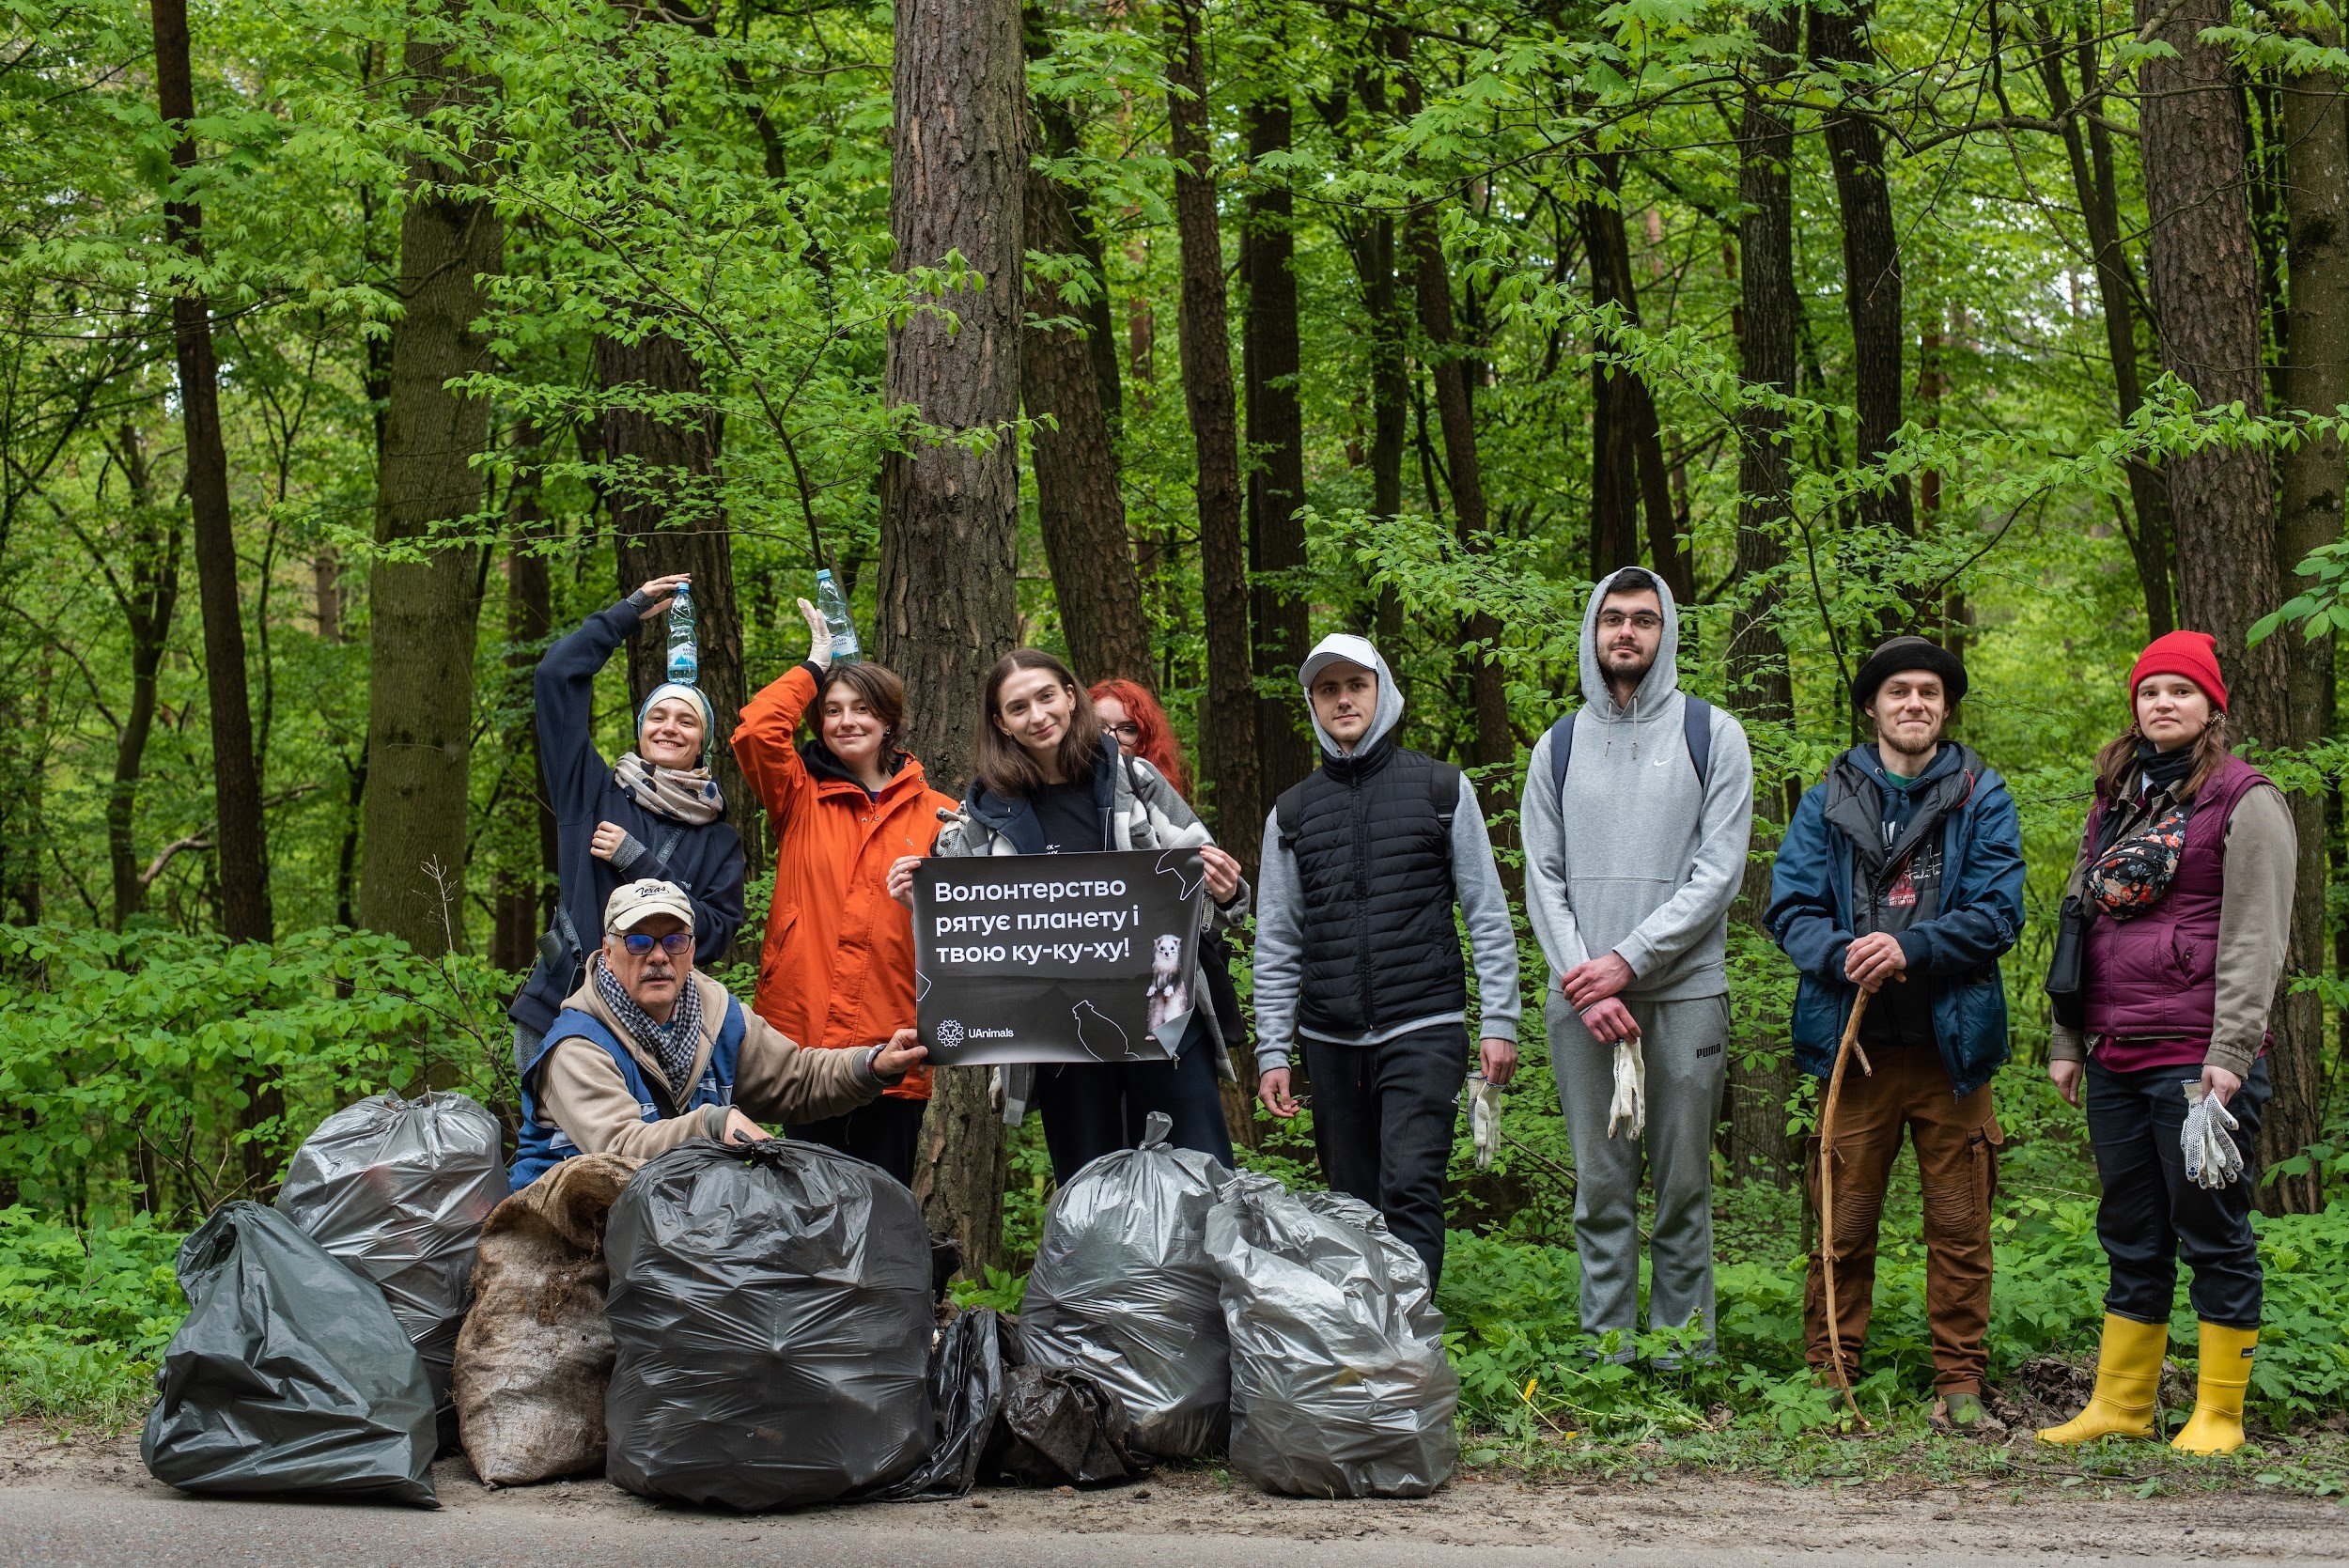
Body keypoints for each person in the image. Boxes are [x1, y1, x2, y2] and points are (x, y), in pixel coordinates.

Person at [2037, 631, 2293, 1456]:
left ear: (2212, 705)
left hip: (2200, 1058)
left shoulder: (2246, 799)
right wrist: (2067, 1036)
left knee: (2211, 1226)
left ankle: (2219, 1413)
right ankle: (2121, 1403)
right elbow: (2079, 922)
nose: (2163, 704)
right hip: (2115, 1050)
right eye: (2151, 691)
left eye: (2182, 691)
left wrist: (2230, 1049)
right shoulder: (2116, 799)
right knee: (2131, 1227)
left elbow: (2257, 937)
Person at [1766, 635, 2023, 1432]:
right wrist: (1846, 953)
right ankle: (1830, 1376)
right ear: (1873, 706)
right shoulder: (1826, 799)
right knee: (1840, 1223)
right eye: (1899, 691)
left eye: (1930, 693)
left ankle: (1960, 1387)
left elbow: (1998, 911)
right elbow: (1789, 908)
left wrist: (1911, 945)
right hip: (1856, 1048)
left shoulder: (1983, 793)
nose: (1915, 703)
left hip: (1953, 1051)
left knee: (1958, 1223)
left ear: (1946, 709)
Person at [890, 648, 1247, 1182]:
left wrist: (1223, 890)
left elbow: (1220, 896)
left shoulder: (1134, 778)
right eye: (1018, 707)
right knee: (1090, 1195)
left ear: (1071, 696)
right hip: (1062, 1038)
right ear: (1000, 723)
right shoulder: (985, 815)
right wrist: (918, 900)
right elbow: (959, 927)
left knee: (1199, 1180)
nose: (1037, 716)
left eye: (1046, 696)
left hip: (1164, 1021)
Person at [1519, 567, 1754, 1362]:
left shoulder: (1712, 735)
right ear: (1592, 631)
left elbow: (1718, 874)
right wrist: (1587, 979)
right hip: (1582, 1000)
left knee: (1682, 1184)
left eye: (1644, 620)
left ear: (1667, 632)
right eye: (1613, 618)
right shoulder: (1555, 746)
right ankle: (1605, 1356)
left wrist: (1627, 960)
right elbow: (1540, 877)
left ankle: (1685, 1355)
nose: (1627, 632)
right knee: (1601, 1183)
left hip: (1685, 992)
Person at [1252, 633, 1522, 1287]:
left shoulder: (1441, 789)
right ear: (1313, 703)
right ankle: (1361, 1351)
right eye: (1327, 689)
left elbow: (1486, 910)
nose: (1343, 699)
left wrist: (1500, 1020)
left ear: (1383, 691)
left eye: (1356, 686)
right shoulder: (1290, 814)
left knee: (1409, 1186)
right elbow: (1278, 939)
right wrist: (1273, 1051)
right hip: (1329, 1035)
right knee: (1348, 1202)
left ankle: (1412, 1350)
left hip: (1423, 1026)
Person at [730, 598, 956, 1187]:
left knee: (883, 1211)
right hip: (803, 1049)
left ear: (889, 723)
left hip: (897, 1037)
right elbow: (755, 730)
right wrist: (814, 665)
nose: (847, 721)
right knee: (802, 1212)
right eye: (832, 711)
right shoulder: (800, 798)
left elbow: (972, 934)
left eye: (862, 709)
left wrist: (923, 903)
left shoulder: (945, 819)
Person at [510, 879, 926, 1187]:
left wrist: (871, 1065)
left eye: (674, 940)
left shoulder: (718, 1015)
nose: (658, 956)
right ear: (609, 948)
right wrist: (711, 1125)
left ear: (691, 949)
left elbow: (796, 1080)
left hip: (673, 1215)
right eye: (638, 941)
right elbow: (620, 1152)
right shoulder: (577, 1046)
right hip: (566, 1227)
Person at [508, 574, 746, 1079]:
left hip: (661, 1030)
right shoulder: (591, 792)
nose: (669, 728)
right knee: (550, 1159)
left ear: (703, 740)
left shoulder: (719, 839)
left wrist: (636, 860)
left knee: (642, 1157)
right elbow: (555, 677)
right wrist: (625, 614)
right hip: (560, 1008)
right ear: (641, 730)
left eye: (686, 721)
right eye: (657, 716)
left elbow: (715, 933)